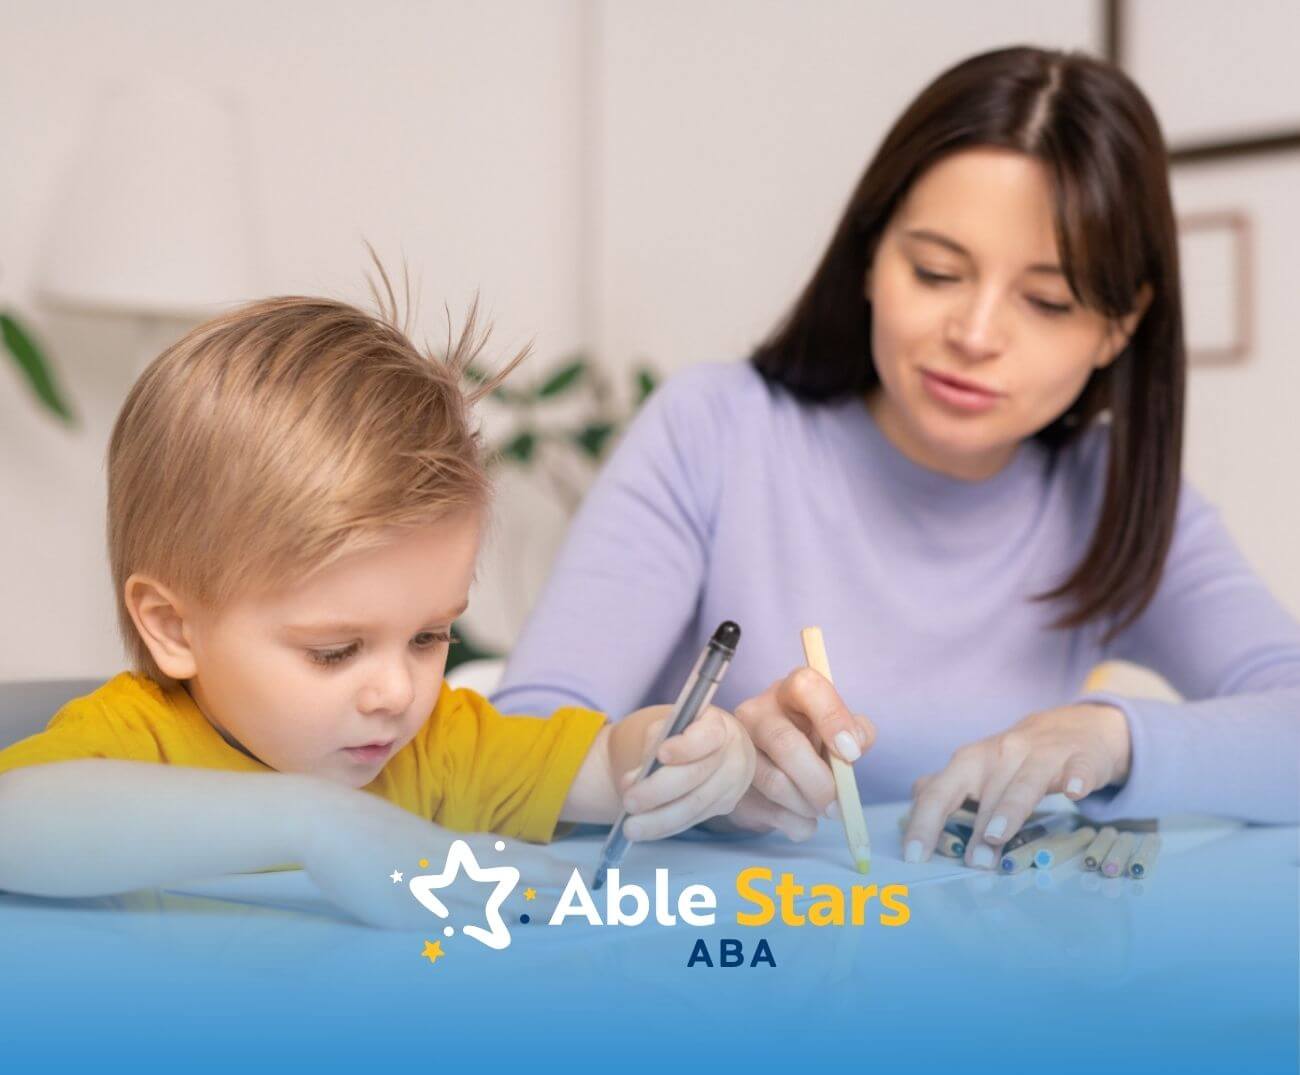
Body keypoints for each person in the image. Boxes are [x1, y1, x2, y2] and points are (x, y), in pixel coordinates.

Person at [493, 45, 1300, 868]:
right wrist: (709, 772)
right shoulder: (716, 431)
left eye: (1048, 301)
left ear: (1120, 325)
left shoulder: (1111, 496)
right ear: (872, 258)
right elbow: (515, 750)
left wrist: (1111, 735)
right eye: (937, 270)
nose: (976, 335)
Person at [0, 278, 756, 927]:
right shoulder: (138, 743)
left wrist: (679, 750)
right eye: (336, 650)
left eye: (431, 636)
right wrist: (317, 822)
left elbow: (606, 766)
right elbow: (14, 821)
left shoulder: (436, 746)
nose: (399, 691)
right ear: (173, 627)